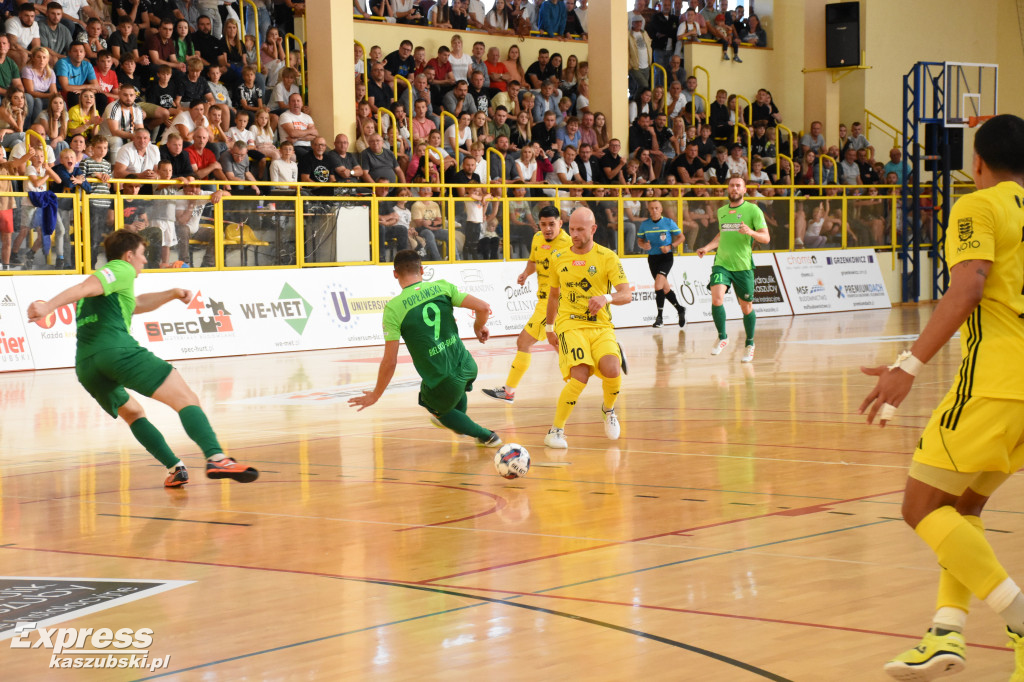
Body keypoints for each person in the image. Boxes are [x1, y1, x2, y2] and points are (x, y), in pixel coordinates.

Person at [858, 114, 1024, 682]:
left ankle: (1022, 621)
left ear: (977, 163)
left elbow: (969, 283)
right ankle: (945, 633)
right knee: (962, 508)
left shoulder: (980, 206)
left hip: (995, 385)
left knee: (920, 508)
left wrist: (908, 366)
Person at [25, 230, 259, 487]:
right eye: (142, 254)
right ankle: (216, 457)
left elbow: (134, 304)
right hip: (116, 351)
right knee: (186, 399)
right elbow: (85, 287)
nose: (145, 260)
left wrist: (171, 293)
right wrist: (47, 307)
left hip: (87, 366)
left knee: (134, 414)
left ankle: (175, 467)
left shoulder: (115, 288)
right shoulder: (120, 268)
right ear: (129, 255)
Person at [348, 249, 502, 448]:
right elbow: (483, 307)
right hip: (467, 365)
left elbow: (390, 361)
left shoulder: (393, 309)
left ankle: (487, 435)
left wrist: (376, 394)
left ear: (395, 273)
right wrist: (479, 326)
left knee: (434, 405)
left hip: (442, 379)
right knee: (453, 395)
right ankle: (460, 423)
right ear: (422, 269)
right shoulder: (443, 287)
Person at [542, 207, 631, 450]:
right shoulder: (558, 257)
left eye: (580, 229)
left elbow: (626, 294)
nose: (575, 234)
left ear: (593, 229)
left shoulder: (607, 257)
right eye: (571, 229)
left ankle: (608, 410)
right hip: (570, 324)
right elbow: (553, 296)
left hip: (601, 325)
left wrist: (606, 298)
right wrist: (550, 328)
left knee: (612, 370)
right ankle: (555, 431)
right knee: (579, 376)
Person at [482, 205, 572, 404]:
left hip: (554, 302)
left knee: (523, 342)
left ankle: (509, 391)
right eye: (543, 224)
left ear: (560, 223)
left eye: (552, 224)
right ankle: (606, 363)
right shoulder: (538, 238)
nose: (547, 229)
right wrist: (525, 273)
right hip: (543, 300)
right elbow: (534, 261)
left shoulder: (568, 244)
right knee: (559, 345)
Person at [695, 175, 770, 362]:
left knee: (746, 307)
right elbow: (722, 234)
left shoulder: (753, 210)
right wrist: (707, 247)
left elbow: (766, 238)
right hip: (722, 263)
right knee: (717, 297)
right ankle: (722, 337)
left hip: (743, 266)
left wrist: (751, 232)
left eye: (738, 186)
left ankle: (750, 343)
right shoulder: (722, 211)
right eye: (731, 186)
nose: (734, 188)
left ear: (744, 190)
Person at [637, 199, 686, 328]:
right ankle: (680, 309)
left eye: (656, 208)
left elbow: (681, 237)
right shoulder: (645, 224)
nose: (654, 210)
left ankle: (660, 318)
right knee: (665, 288)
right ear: (648, 209)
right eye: (652, 208)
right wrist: (644, 245)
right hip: (653, 258)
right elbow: (640, 241)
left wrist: (670, 246)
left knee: (658, 285)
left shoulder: (668, 222)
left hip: (666, 257)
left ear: (661, 209)